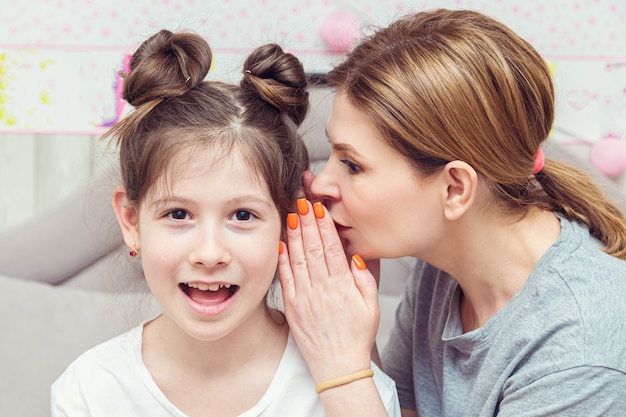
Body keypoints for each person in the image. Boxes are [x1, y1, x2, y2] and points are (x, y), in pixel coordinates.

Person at [277, 8, 626, 417]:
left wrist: (338, 361)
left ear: (455, 188)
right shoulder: (445, 262)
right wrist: (356, 332)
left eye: (353, 165)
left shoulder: (577, 351)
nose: (320, 184)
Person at [50, 29, 400, 416]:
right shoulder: (89, 391)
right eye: (178, 214)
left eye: (243, 215)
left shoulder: (353, 390)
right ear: (132, 221)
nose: (210, 253)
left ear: (288, 222)